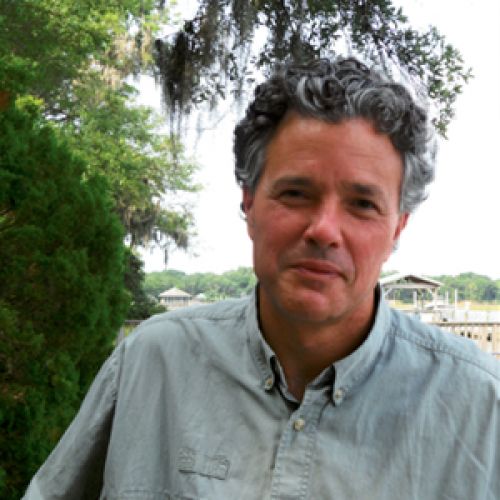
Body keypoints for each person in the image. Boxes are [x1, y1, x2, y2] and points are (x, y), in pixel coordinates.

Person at [24, 57, 499, 499]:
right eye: (295, 193)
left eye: (362, 204)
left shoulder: (481, 409)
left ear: (397, 227)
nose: (324, 230)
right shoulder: (151, 364)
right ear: (249, 203)